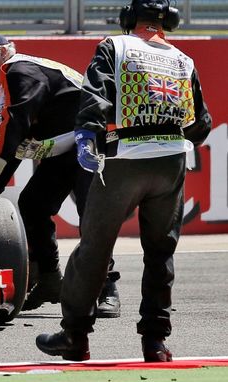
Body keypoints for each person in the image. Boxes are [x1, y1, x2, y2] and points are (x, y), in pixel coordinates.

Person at [36, 0, 211, 362]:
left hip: (125, 158)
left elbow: (95, 96)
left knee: (95, 250)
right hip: (171, 162)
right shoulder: (183, 59)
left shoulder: (115, 45)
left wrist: (87, 135)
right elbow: (201, 126)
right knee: (160, 253)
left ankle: (75, 337)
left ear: (129, 18)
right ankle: (155, 344)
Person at [0, 33, 121, 317]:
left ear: (2, 52)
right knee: (32, 205)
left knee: (91, 213)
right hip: (68, 147)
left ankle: (107, 288)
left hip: (91, 140)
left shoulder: (18, 69)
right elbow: (14, 144)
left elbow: (16, 128)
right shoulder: (4, 87)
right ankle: (49, 279)